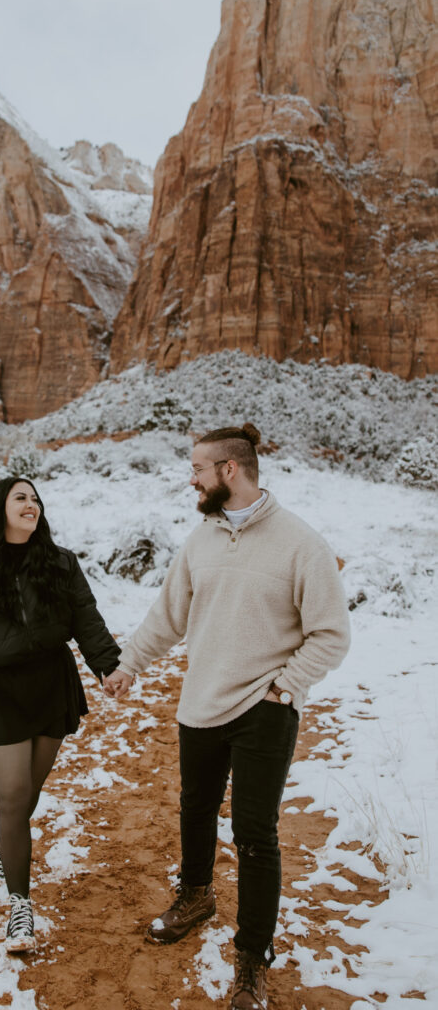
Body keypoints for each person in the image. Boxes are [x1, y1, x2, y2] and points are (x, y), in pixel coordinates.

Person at [104, 423, 350, 1010]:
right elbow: (168, 616)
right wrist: (129, 665)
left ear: (229, 471)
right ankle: (195, 897)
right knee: (195, 808)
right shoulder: (200, 541)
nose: (190, 478)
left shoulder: (300, 544)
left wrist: (284, 688)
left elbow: (331, 635)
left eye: (197, 468)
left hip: (265, 707)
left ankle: (251, 954)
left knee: (255, 833)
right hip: (201, 703)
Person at [0, 477, 121, 953]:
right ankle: (21, 904)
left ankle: (5, 843)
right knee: (15, 796)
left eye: (36, 498)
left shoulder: (60, 564)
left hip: (49, 685)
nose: (31, 504)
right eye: (21, 497)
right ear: (0, 508)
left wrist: (109, 666)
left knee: (28, 791)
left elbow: (85, 617)